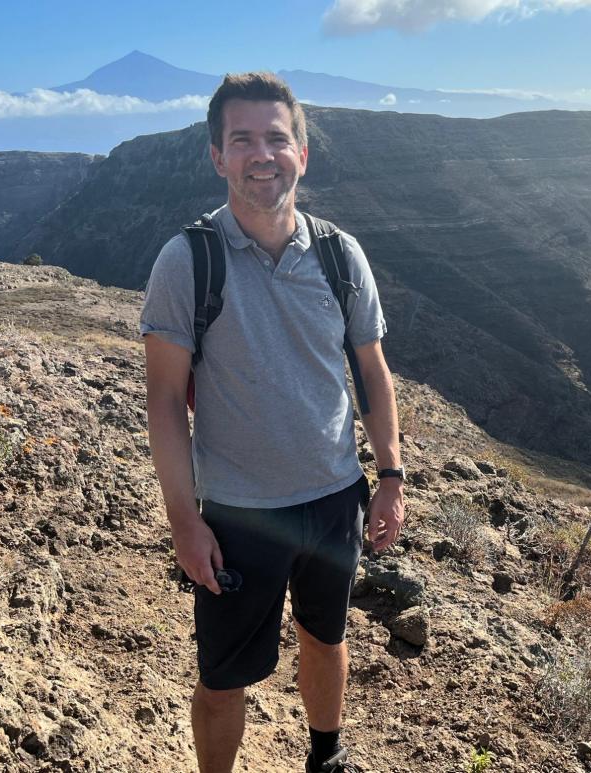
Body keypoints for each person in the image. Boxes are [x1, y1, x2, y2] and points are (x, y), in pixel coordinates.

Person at [140, 71, 404, 773]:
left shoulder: (340, 255)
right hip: (238, 515)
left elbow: (371, 371)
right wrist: (183, 520)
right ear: (217, 156)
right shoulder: (188, 260)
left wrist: (391, 475)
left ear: (303, 153)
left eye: (277, 139)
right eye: (243, 140)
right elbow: (164, 399)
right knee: (223, 676)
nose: (263, 154)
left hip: (333, 495)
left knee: (326, 634)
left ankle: (327, 753)